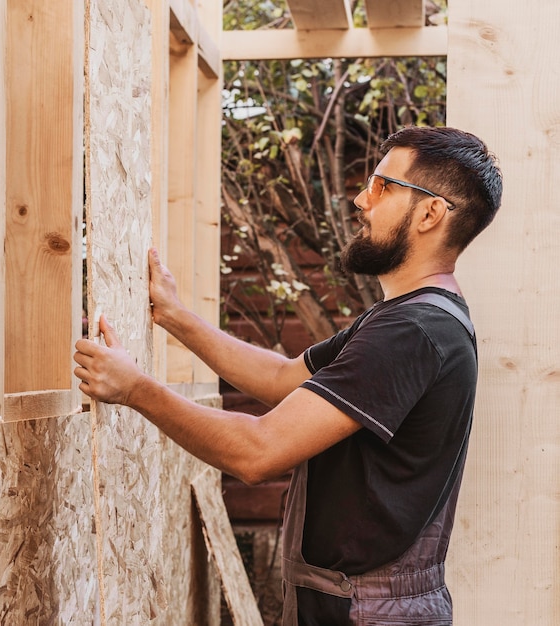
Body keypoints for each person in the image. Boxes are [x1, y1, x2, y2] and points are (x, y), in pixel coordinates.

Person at [74, 126, 502, 625]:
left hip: (367, 613)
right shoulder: (407, 318)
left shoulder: (413, 331)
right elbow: (281, 377)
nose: (363, 199)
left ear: (430, 213)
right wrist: (175, 317)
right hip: (352, 602)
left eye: (384, 186)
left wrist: (134, 388)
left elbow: (257, 451)